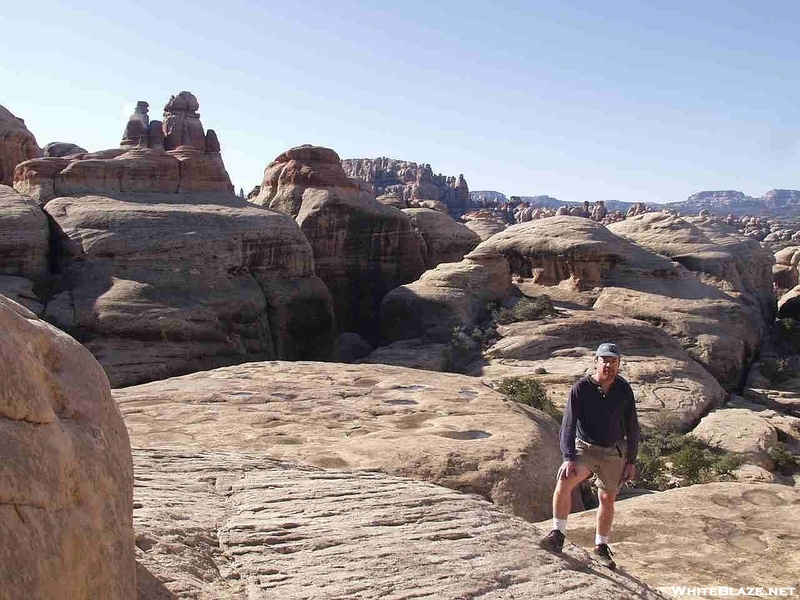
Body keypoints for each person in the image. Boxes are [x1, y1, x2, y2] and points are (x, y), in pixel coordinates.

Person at [539, 342, 640, 569]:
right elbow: (568, 424)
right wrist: (568, 456)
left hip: (613, 452)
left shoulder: (623, 389)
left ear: (619, 364)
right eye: (605, 360)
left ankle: (601, 547)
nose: (609, 365)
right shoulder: (581, 388)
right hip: (586, 448)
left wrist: (631, 460)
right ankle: (557, 534)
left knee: (607, 499)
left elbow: (632, 426)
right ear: (596, 361)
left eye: (614, 362)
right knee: (565, 481)